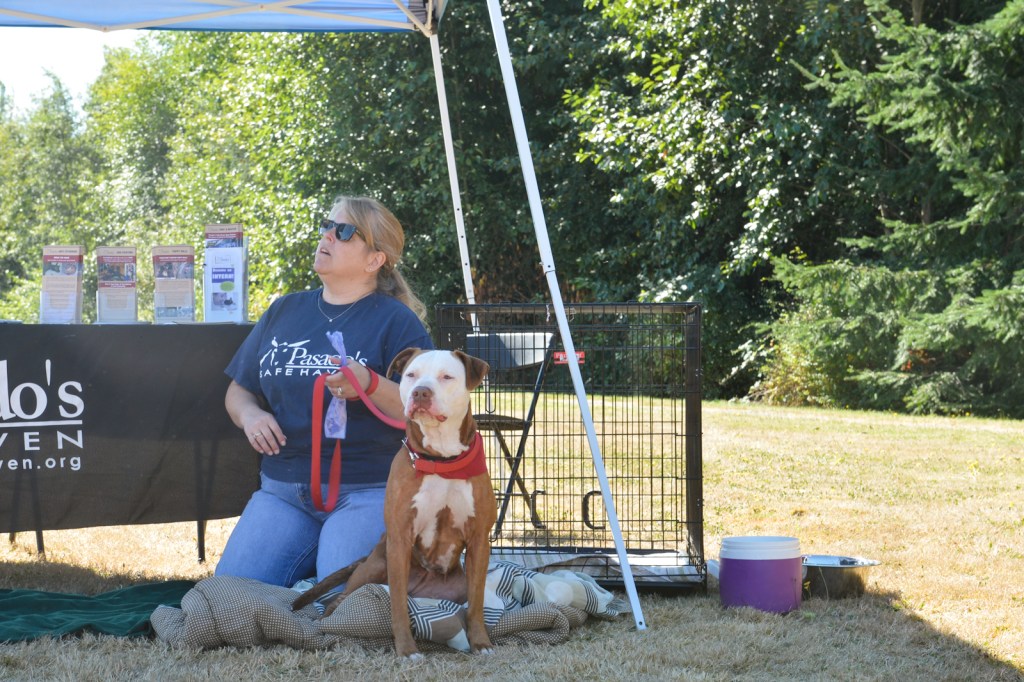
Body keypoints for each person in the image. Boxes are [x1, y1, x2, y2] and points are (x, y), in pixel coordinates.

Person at [215, 195, 433, 587]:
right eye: (326, 226)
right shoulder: (284, 310)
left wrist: (368, 383)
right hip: (282, 492)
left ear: (375, 259)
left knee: (343, 608)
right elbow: (238, 390)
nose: (327, 236)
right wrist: (251, 415)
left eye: (344, 231)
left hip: (368, 491)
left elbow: (425, 413)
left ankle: (318, 575)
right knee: (228, 594)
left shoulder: (397, 322)